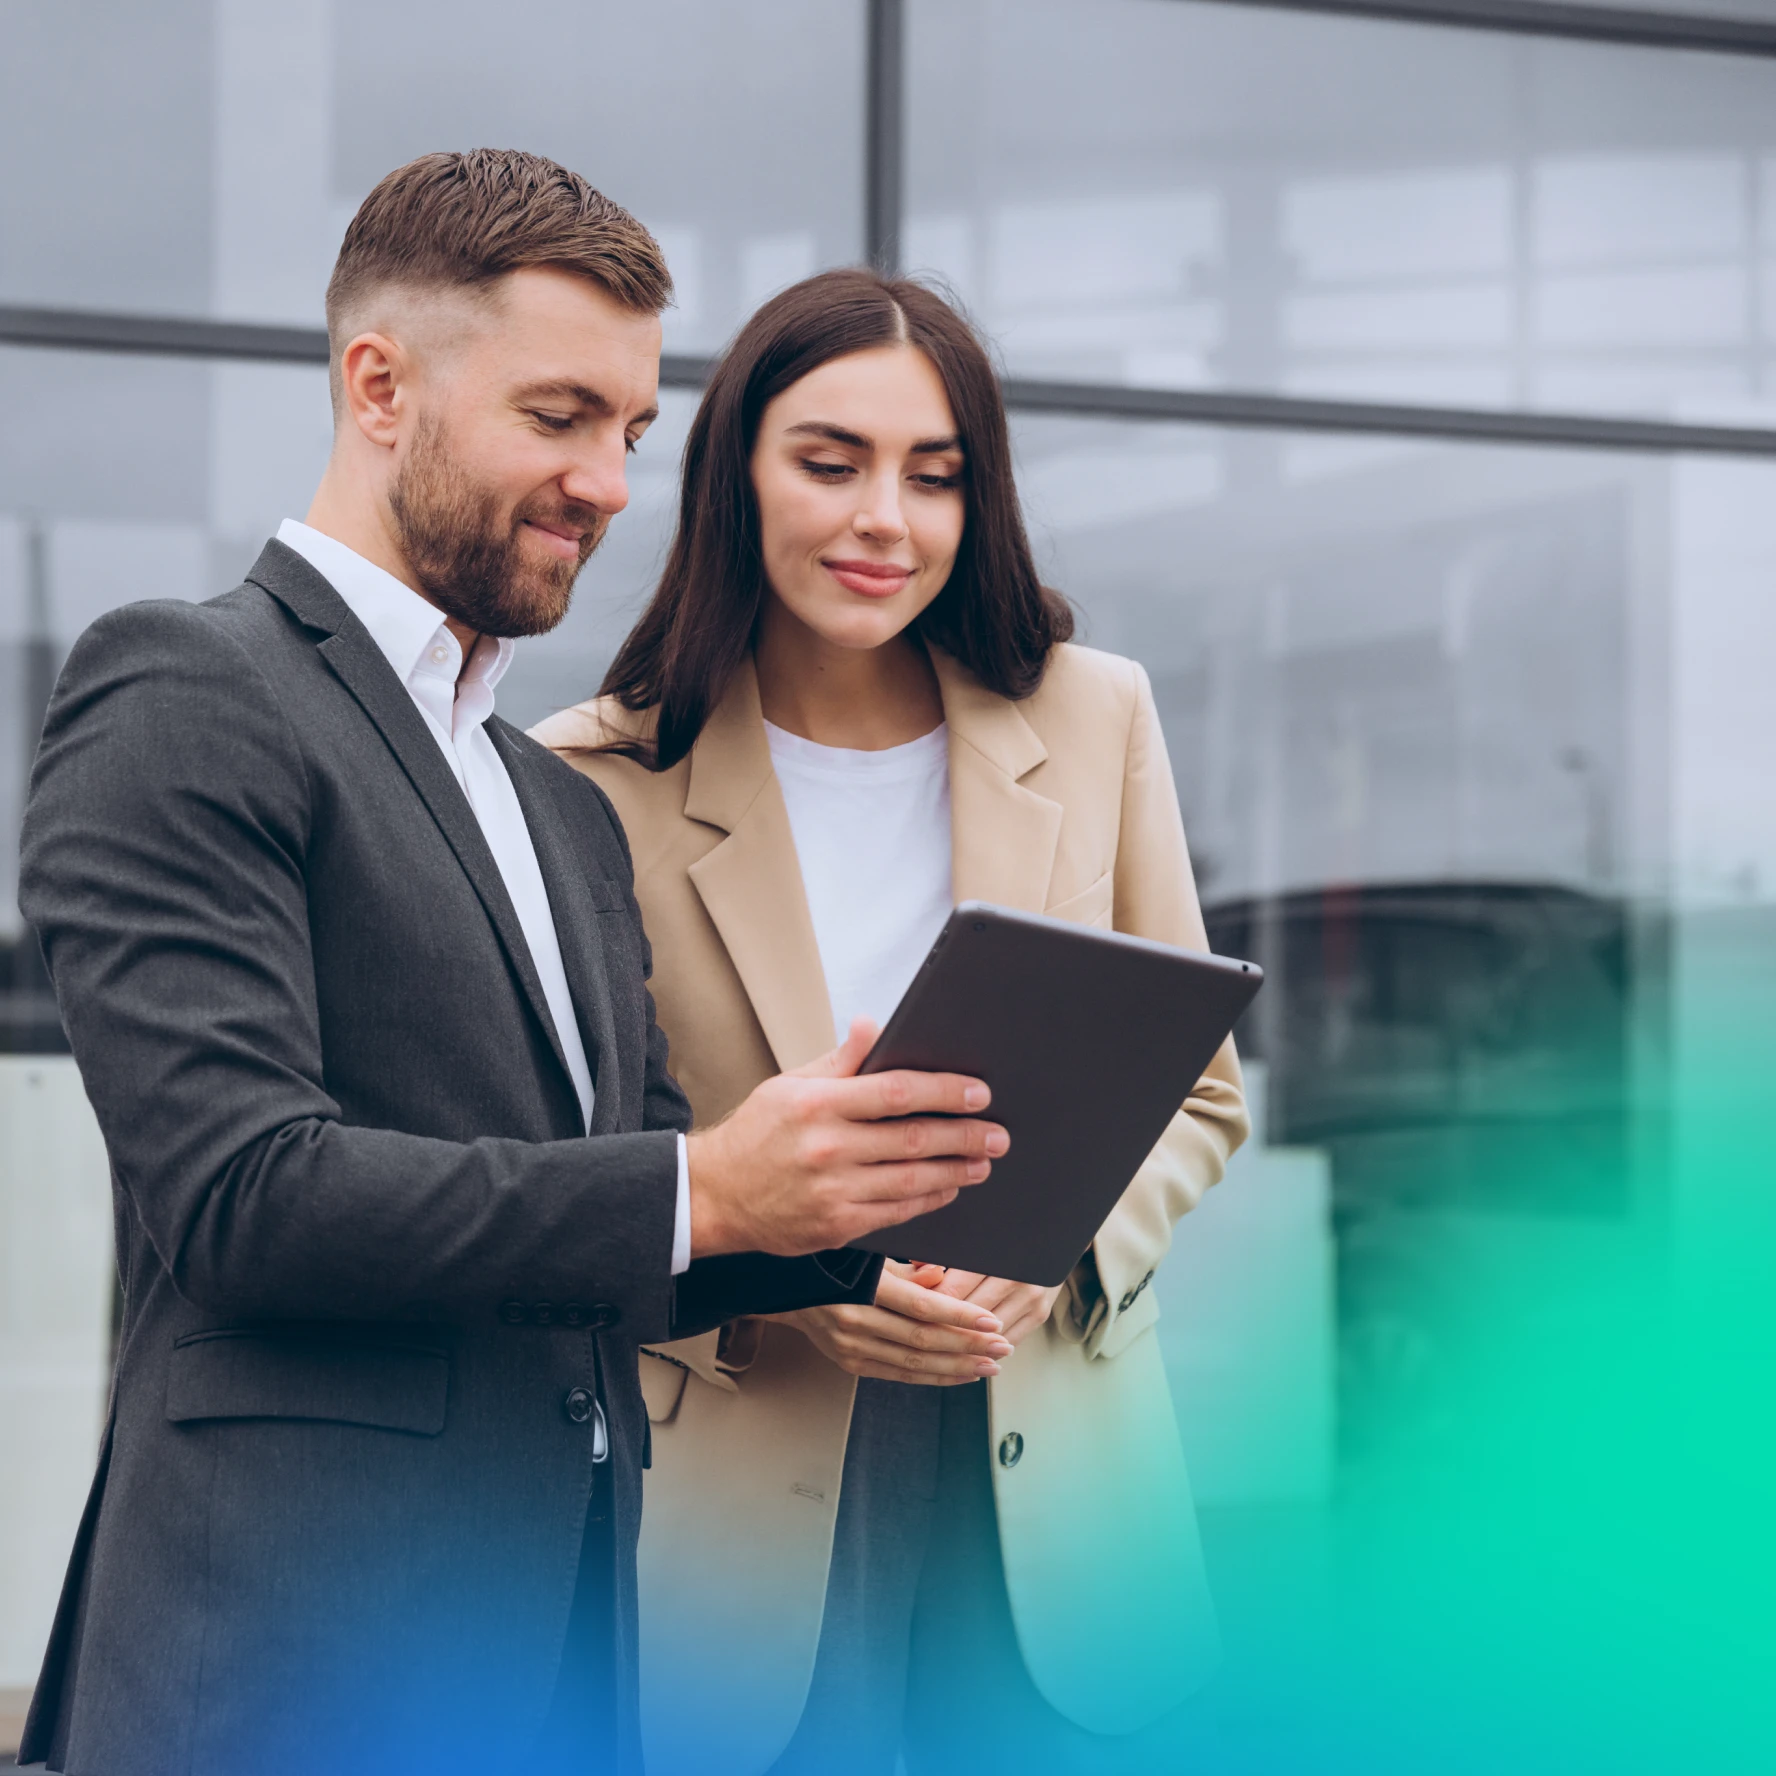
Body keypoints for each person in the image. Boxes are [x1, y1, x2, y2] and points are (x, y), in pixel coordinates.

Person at [16, 157, 1010, 1776]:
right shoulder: (183, 690)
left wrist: (850, 1210)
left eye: (629, 433)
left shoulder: (557, 802)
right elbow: (246, 1196)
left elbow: (627, 1222)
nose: (609, 484)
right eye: (558, 417)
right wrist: (706, 1187)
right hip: (287, 1668)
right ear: (380, 386)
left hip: (558, 1664)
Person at [534, 268, 1251, 1776]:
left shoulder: (1091, 715)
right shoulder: (589, 777)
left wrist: (1047, 1264)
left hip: (1056, 1474)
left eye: (936, 477)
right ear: (733, 473)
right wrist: (790, 1282)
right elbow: (575, 1165)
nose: (886, 520)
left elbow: (1197, 1099)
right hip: (747, 1470)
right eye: (830, 462)